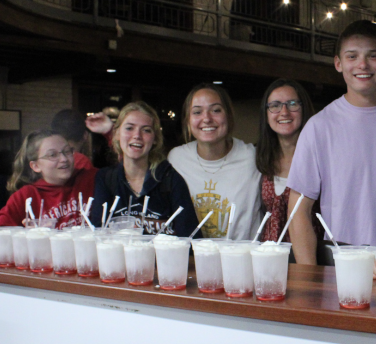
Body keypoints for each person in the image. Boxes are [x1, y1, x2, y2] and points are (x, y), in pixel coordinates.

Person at [287, 20, 376, 265]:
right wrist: (309, 277)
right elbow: (298, 211)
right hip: (344, 268)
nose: (362, 65)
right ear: (338, 63)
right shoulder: (319, 127)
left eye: (373, 56)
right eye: (352, 56)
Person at [89, 102, 200, 237]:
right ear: (117, 134)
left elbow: (191, 238)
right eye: (129, 128)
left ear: (154, 139)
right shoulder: (106, 179)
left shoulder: (170, 180)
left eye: (146, 130)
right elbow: (98, 234)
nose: (137, 135)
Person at [168, 84, 262, 239]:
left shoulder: (253, 157)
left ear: (229, 115)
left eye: (216, 110)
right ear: (187, 121)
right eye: (197, 112)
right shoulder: (176, 159)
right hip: (192, 260)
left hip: (242, 259)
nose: (207, 118)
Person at [256, 79, 322, 244]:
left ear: (303, 109)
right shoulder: (260, 157)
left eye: (292, 104)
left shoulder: (321, 156)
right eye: (275, 105)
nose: (284, 112)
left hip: (312, 254)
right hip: (269, 256)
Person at [0, 130, 97, 228]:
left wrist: (108, 132)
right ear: (36, 166)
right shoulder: (26, 196)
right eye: (52, 155)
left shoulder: (90, 178)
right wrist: (24, 235)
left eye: (67, 151)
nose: (64, 159)